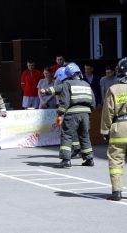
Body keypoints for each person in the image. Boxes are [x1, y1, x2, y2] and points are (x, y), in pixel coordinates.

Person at [54, 63, 95, 168]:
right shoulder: (86, 84)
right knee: (84, 135)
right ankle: (89, 159)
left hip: (72, 114)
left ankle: (66, 160)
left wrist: (60, 113)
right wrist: (88, 112)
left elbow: (65, 101)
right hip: (85, 114)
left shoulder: (67, 83)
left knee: (67, 135)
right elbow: (93, 101)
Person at [101, 57, 127, 201]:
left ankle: (117, 192)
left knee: (116, 160)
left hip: (119, 128)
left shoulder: (113, 89)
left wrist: (105, 131)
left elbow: (108, 112)